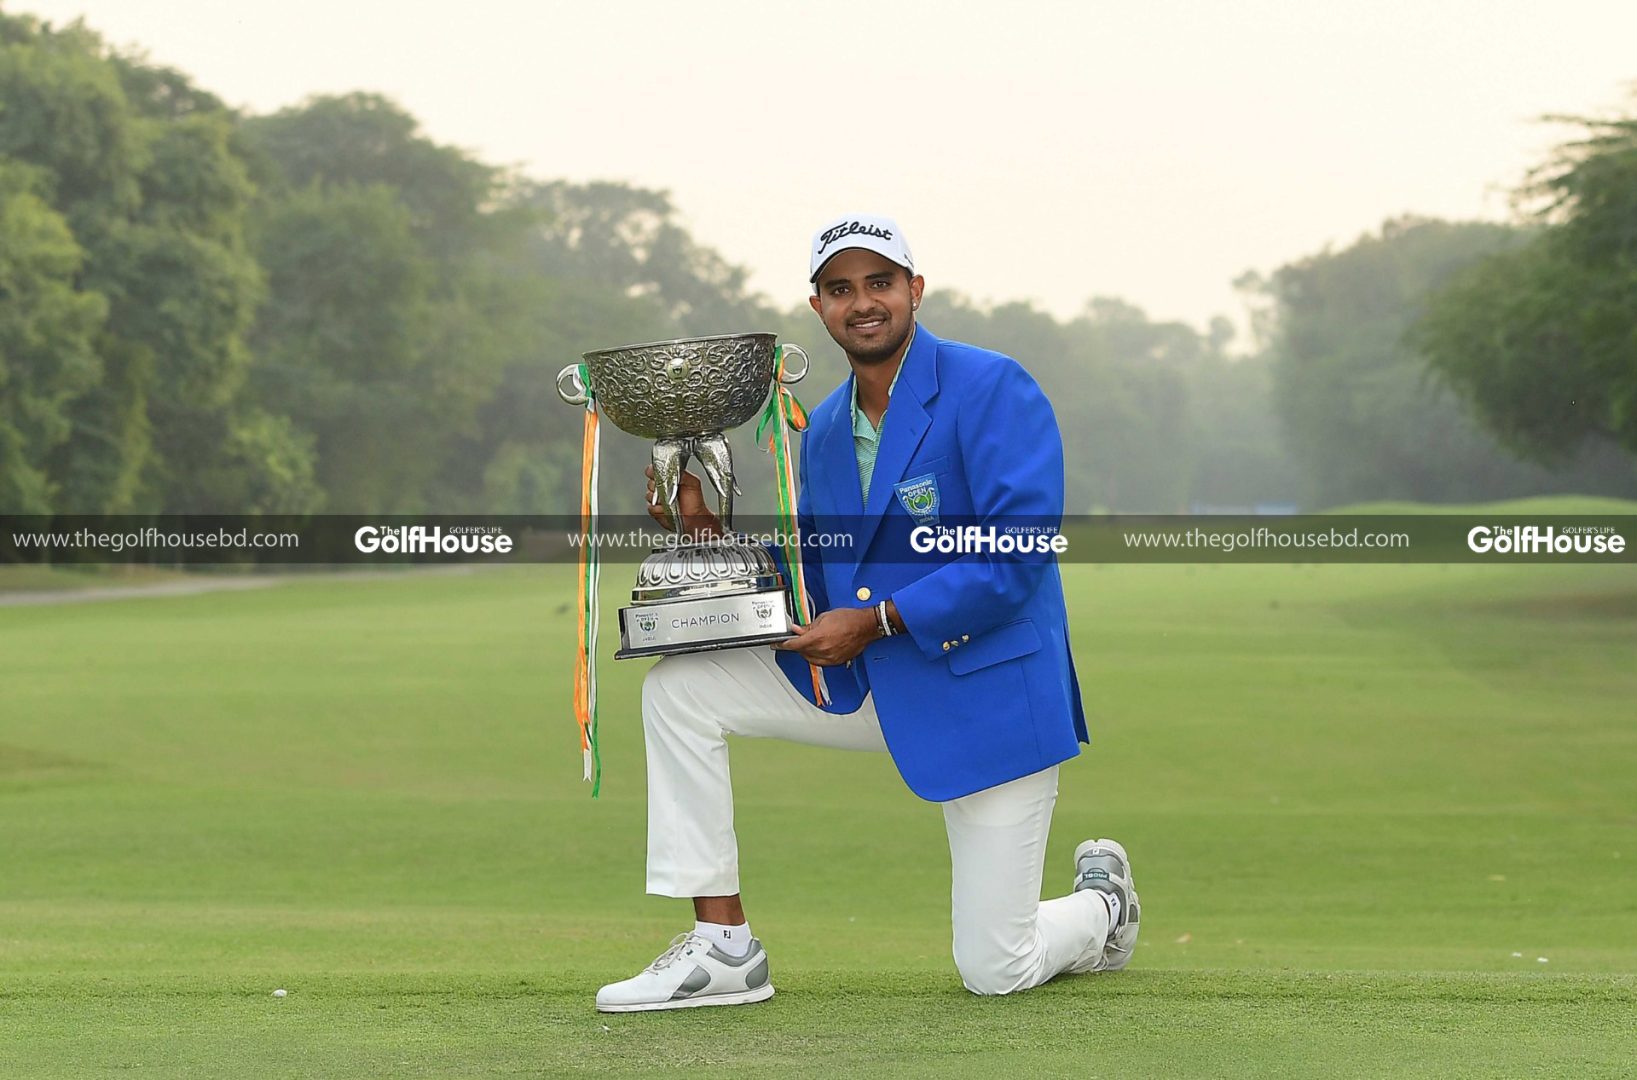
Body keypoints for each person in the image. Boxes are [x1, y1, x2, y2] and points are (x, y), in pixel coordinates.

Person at [595, 214, 1139, 1012]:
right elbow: (818, 570)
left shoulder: (993, 387)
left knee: (998, 967)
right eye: (840, 289)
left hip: (985, 697)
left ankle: (1102, 907)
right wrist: (710, 542)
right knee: (680, 691)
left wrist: (878, 620)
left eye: (878, 283)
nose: (862, 303)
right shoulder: (816, 436)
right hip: (874, 686)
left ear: (914, 290)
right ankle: (723, 948)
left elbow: (1014, 555)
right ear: (817, 307)